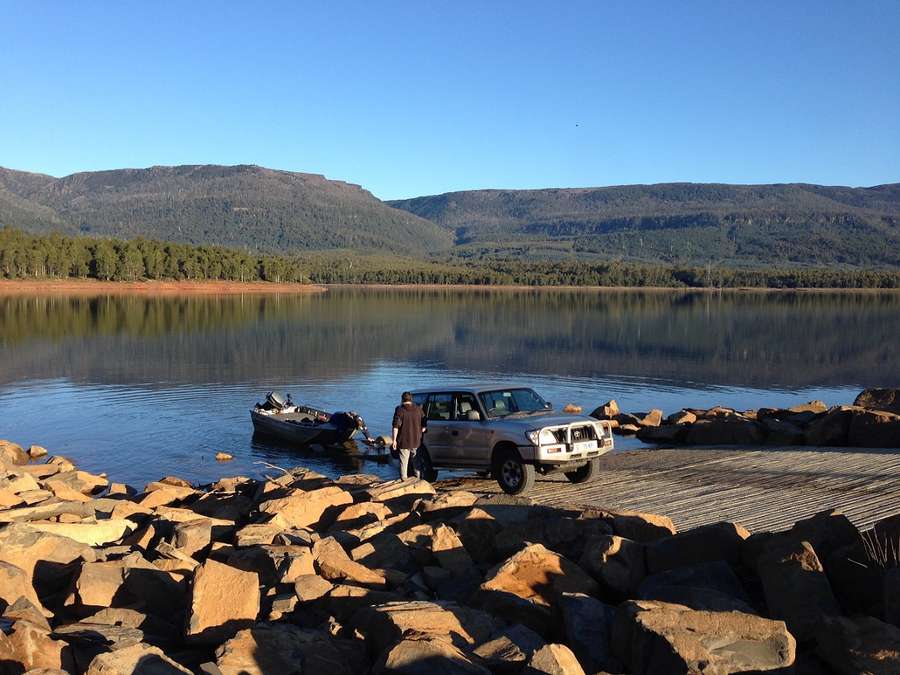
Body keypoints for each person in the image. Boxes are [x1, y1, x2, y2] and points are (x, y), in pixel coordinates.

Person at [391, 391, 426, 480]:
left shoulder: (400, 410)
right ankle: (418, 481)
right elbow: (424, 423)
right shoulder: (419, 409)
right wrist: (421, 431)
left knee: (404, 463)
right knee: (416, 463)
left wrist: (394, 440)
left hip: (404, 441)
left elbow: (396, 426)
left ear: (402, 399)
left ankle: (404, 481)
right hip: (416, 441)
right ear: (411, 399)